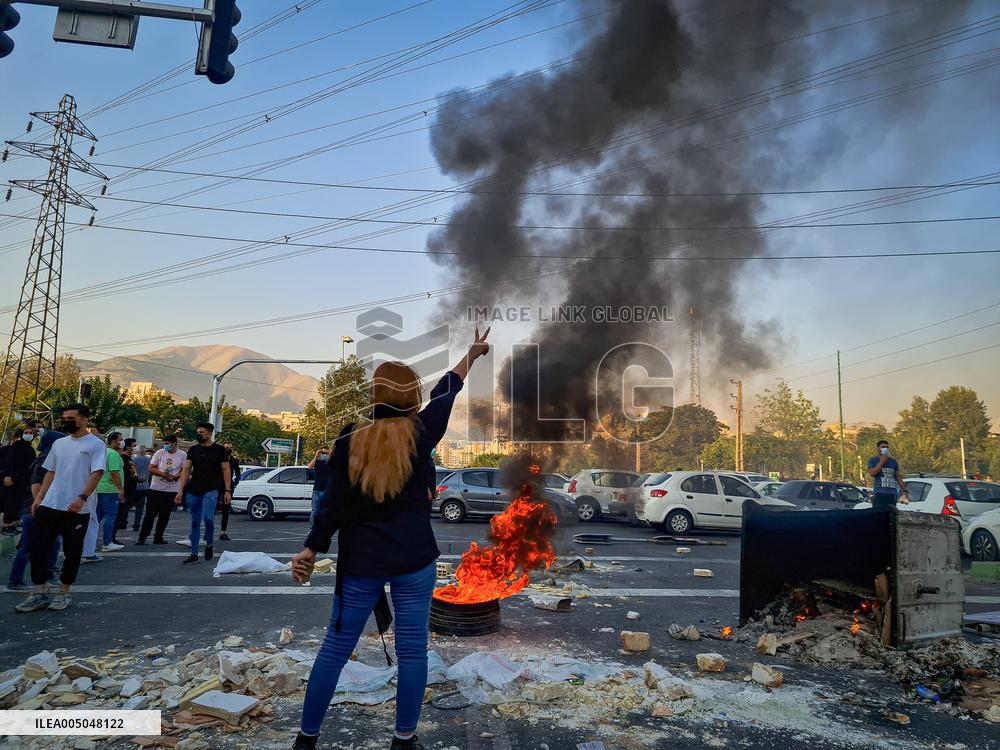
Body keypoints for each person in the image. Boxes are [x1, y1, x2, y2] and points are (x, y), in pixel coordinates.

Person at [289, 326, 490, 750]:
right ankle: (403, 740)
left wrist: (311, 547)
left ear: (375, 395)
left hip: (360, 563)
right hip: (414, 560)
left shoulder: (349, 439)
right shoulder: (422, 430)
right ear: (411, 396)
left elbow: (332, 505)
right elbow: (446, 391)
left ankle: (306, 740)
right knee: (413, 652)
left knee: (334, 649)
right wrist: (472, 355)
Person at [14, 403, 105, 613]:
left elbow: (97, 473)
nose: (66, 422)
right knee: (37, 548)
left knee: (72, 552)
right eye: (64, 419)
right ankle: (39, 592)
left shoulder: (95, 444)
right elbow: (51, 472)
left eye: (71, 418)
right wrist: (40, 498)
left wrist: (82, 497)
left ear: (84, 419)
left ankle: (64, 592)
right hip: (50, 504)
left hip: (77, 508)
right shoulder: (60, 443)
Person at [6, 427, 65, 592]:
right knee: (30, 546)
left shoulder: (45, 458)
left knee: (51, 543)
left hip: (39, 507)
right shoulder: (45, 460)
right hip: (36, 508)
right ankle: (15, 581)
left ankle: (47, 574)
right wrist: (41, 505)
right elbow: (36, 484)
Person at [175, 423, 231, 564]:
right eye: (198, 432)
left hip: (211, 490)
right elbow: (186, 469)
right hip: (194, 490)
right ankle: (194, 553)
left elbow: (226, 470)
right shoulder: (193, 449)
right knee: (195, 522)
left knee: (208, 519)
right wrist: (180, 490)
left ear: (209, 433)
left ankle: (209, 544)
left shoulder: (219, 450)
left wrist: (227, 490)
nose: (199, 434)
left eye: (202, 432)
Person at [139, 435, 186, 545]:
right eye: (164, 443)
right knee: (150, 514)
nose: (166, 446)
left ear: (174, 443)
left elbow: (185, 470)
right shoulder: (159, 453)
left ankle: (158, 537)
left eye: (168, 443)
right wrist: (162, 474)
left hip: (171, 489)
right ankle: (142, 537)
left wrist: (175, 476)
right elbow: (151, 468)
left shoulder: (182, 455)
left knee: (164, 515)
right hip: (156, 488)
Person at [2, 425, 37, 534]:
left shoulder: (30, 448)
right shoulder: (17, 446)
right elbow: (10, 461)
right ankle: (7, 526)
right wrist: (8, 475)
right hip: (14, 479)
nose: (29, 435)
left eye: (31, 433)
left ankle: (13, 524)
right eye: (26, 433)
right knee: (11, 503)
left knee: (18, 503)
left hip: (23, 481)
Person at [95, 432, 125, 553]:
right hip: (110, 489)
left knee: (96, 517)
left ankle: (89, 542)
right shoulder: (113, 454)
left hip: (100, 488)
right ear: (114, 441)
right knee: (110, 516)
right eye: (120, 439)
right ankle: (107, 542)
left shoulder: (104, 452)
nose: (122, 442)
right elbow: (114, 473)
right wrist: (120, 488)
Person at [868, 440, 909, 510]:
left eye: (887, 447)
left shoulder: (893, 462)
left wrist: (905, 491)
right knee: (878, 513)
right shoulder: (873, 460)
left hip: (892, 493)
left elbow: (898, 477)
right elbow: (872, 473)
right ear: (878, 448)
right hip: (879, 492)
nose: (885, 449)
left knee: (891, 513)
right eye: (883, 447)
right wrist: (882, 461)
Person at [114, 438, 138, 543]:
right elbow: (122, 475)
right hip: (125, 491)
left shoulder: (129, 459)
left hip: (130, 491)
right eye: (134, 446)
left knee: (121, 515)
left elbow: (131, 474)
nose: (135, 448)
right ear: (127, 447)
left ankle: (113, 537)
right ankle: (111, 538)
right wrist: (122, 490)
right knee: (118, 515)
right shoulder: (123, 458)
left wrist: (138, 479)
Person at [219, 442, 241, 542]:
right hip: (217, 485)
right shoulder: (218, 459)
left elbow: (238, 474)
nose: (227, 449)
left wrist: (234, 483)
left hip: (228, 486)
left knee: (226, 509)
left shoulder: (233, 460)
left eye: (229, 448)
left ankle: (223, 532)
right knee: (211, 508)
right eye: (226, 447)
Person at [306, 445, 331, 528]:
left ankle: (324, 527)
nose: (325, 455)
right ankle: (312, 527)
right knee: (315, 510)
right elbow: (309, 467)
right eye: (323, 453)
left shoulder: (331, 462)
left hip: (328, 490)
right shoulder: (318, 461)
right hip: (317, 489)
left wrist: (331, 455)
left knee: (327, 510)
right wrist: (316, 456)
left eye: (326, 453)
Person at [131, 445, 151, 532]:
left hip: (134, 486)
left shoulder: (133, 460)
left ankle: (123, 522)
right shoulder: (149, 460)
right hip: (144, 486)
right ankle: (137, 525)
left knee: (127, 506)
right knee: (140, 508)